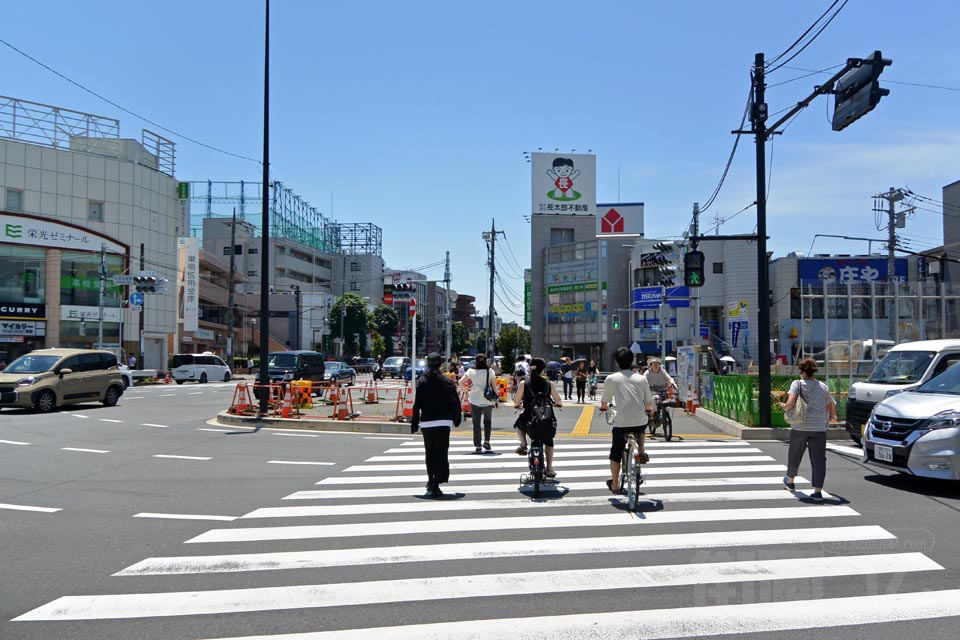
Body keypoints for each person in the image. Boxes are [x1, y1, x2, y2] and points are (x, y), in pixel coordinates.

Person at [779, 357, 837, 503]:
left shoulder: (797, 384)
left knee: (795, 454)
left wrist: (783, 405)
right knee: (818, 460)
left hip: (800, 427)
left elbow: (790, 404)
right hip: (819, 428)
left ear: (801, 370)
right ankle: (817, 491)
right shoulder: (823, 386)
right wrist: (831, 417)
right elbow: (829, 405)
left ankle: (790, 480)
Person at [600, 347, 654, 494]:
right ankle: (641, 451)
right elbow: (648, 403)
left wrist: (603, 408)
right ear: (632, 361)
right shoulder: (641, 378)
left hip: (621, 423)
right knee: (641, 424)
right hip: (639, 421)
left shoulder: (611, 379)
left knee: (616, 452)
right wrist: (648, 410)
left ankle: (615, 484)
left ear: (617, 362)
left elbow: (604, 402)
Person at [411, 352, 462, 498]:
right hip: (443, 422)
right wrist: (456, 418)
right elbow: (455, 401)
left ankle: (430, 480)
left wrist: (414, 423)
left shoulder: (422, 381)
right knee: (441, 453)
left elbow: (417, 404)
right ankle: (437, 483)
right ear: (441, 364)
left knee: (429, 453)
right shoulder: (446, 381)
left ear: (428, 364)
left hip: (427, 422)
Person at [513, 357, 562, 477]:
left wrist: (517, 405)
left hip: (529, 419)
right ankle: (549, 468)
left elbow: (516, 401)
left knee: (518, 425)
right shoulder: (548, 383)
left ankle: (524, 444)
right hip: (545, 419)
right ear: (543, 370)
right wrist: (558, 404)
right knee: (549, 441)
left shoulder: (524, 383)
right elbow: (558, 400)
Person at [459, 353, 497, 453]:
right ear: (485, 361)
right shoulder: (490, 371)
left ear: (476, 361)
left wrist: (466, 391)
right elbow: (494, 386)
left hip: (474, 399)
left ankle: (478, 445)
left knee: (476, 423)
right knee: (487, 421)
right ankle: (487, 441)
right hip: (487, 400)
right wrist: (496, 399)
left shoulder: (471, 371)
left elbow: (460, 382)